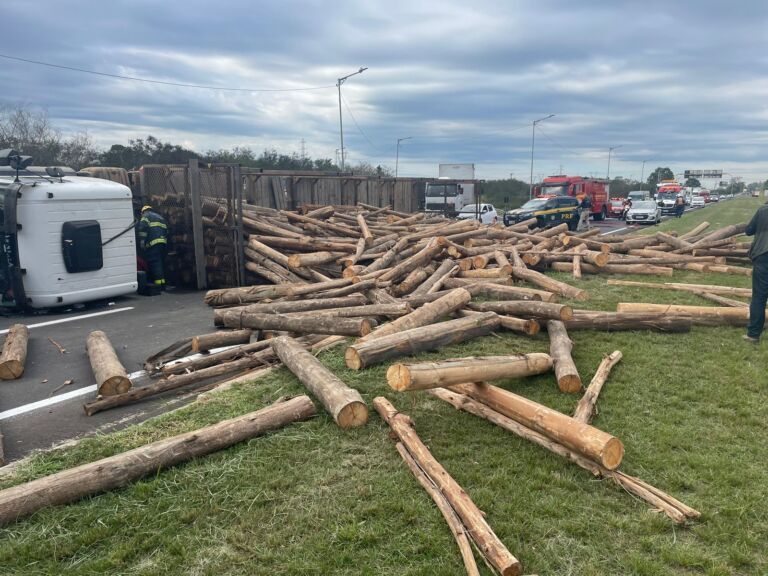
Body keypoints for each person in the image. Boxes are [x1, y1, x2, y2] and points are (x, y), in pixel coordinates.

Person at [744, 200, 768, 342]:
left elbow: (749, 230)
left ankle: (753, 334)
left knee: (759, 297)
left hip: (763, 255)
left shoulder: (763, 210)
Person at [138, 205, 168, 289]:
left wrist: (142, 241)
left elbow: (142, 229)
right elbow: (166, 231)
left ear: (143, 212)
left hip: (153, 244)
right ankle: (163, 284)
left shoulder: (145, 217)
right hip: (163, 244)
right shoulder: (161, 218)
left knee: (155, 264)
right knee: (160, 263)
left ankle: (158, 285)